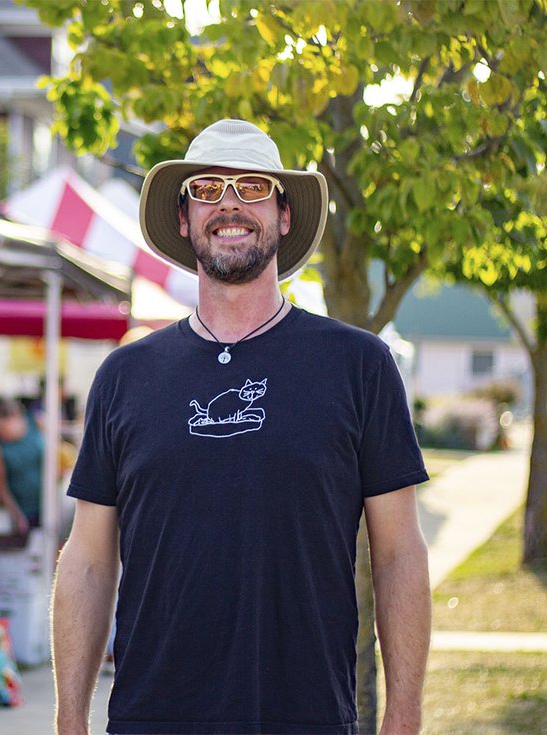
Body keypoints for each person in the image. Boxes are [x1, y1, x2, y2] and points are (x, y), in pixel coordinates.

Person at [52, 120, 432, 735]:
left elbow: (399, 555)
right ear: (184, 218)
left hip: (305, 716)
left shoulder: (359, 366)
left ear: (284, 215)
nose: (229, 204)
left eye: (252, 187)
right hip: (152, 718)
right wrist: (69, 720)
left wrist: (404, 717)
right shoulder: (126, 375)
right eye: (206, 189)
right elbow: (89, 561)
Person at [0, 396, 45, 533]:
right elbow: (1, 487)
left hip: (50, 505)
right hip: (25, 510)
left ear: (13, 416)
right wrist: (18, 515)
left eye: (0, 428)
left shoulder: (36, 422)